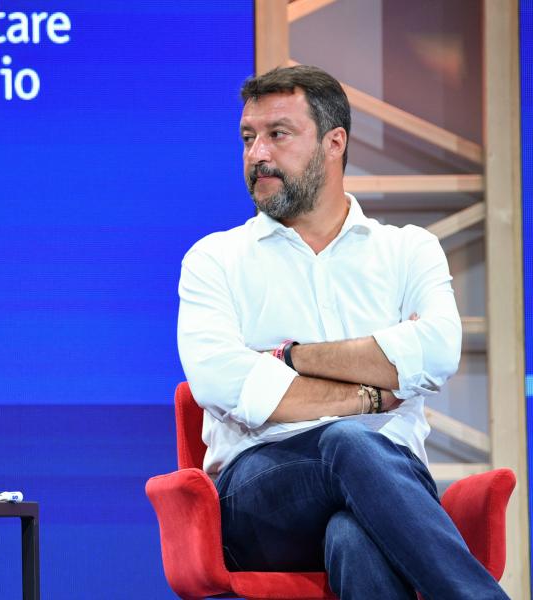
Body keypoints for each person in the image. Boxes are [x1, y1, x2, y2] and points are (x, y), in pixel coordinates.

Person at [176, 64, 506, 599]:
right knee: (348, 441)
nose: (258, 153)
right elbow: (223, 382)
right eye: (248, 138)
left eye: (278, 134)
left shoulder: (408, 250)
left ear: (335, 143)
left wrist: (291, 357)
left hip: (390, 485)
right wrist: (371, 393)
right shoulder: (215, 259)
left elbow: (437, 352)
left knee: (353, 538)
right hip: (260, 497)